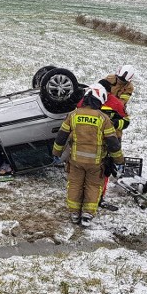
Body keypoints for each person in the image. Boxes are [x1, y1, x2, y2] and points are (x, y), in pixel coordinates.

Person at [52, 84, 124, 227]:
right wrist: (119, 160)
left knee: (74, 185)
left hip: (76, 161)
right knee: (93, 186)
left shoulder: (73, 115)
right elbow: (113, 143)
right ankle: (87, 214)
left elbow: (61, 137)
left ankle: (73, 213)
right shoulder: (103, 119)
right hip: (96, 163)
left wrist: (56, 153)